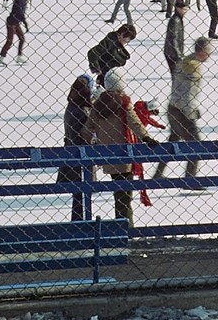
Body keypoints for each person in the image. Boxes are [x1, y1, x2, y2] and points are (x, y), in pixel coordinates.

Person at [83, 68, 159, 226]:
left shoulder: (98, 105)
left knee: (119, 195)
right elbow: (134, 122)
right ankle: (126, 228)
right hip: (125, 155)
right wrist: (146, 137)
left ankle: (121, 226)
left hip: (107, 156)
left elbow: (88, 128)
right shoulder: (123, 103)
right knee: (125, 198)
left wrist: (89, 142)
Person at [152, 37, 213, 187]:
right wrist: (191, 113)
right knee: (196, 145)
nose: (210, 54)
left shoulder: (185, 62)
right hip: (182, 112)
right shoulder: (193, 68)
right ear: (202, 52)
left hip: (173, 107)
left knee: (173, 141)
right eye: (208, 51)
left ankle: (158, 174)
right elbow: (188, 94)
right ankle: (190, 180)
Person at [57, 74, 98, 221]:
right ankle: (80, 223)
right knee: (81, 195)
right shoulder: (80, 111)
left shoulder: (73, 106)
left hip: (72, 154)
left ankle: (79, 222)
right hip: (80, 157)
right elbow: (85, 135)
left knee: (79, 195)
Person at [0, 0, 31, 66]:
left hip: (16, 22)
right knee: (10, 41)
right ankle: (1, 58)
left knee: (22, 38)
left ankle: (19, 56)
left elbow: (22, 13)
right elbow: (20, 12)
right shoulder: (18, 0)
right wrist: (25, 22)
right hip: (12, 22)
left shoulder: (24, 0)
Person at [164, 1, 188, 75]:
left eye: (186, 9)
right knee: (177, 75)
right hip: (172, 53)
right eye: (183, 9)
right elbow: (173, 38)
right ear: (178, 9)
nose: (185, 12)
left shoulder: (178, 19)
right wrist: (178, 54)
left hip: (173, 52)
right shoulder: (175, 20)